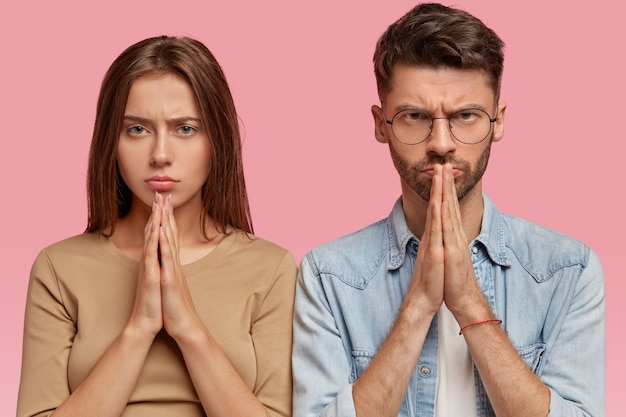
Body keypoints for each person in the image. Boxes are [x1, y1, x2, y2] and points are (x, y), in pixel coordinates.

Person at [292, 3, 605, 417]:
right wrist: (419, 302)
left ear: (498, 122)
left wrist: (470, 302)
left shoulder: (568, 270)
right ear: (380, 124)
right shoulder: (328, 277)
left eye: (466, 115)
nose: (441, 142)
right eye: (415, 116)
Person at [17, 36, 297, 417]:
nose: (160, 155)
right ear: (110, 142)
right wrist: (140, 327)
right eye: (137, 130)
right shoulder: (58, 268)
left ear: (217, 141)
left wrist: (187, 327)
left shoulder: (271, 268)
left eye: (185, 129)